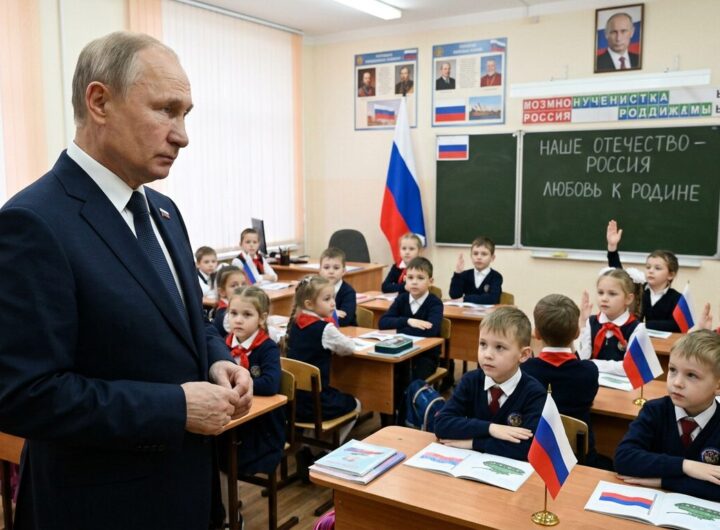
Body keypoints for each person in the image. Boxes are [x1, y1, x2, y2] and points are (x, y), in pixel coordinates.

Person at [0, 31, 253, 529]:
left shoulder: (164, 210)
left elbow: (186, 323)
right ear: (99, 102)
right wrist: (175, 408)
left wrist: (218, 360)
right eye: (166, 110)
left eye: (185, 114)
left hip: (187, 492)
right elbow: (23, 395)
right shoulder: (33, 222)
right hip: (99, 508)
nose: (182, 135)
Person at [615, 330, 720, 501]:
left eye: (691, 375)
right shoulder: (655, 410)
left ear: (718, 385)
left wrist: (663, 481)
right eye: (672, 370)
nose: (677, 382)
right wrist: (685, 466)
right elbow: (624, 459)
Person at [434, 307, 545, 461]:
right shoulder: (470, 381)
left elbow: (527, 448)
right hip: (468, 465)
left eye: (499, 347)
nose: (487, 354)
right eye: (483, 344)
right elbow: (442, 424)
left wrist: (474, 443)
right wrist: (490, 428)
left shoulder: (534, 393)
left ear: (524, 354)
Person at [520, 294, 605, 467]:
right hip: (579, 460)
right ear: (577, 333)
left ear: (536, 333)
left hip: (533, 455)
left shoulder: (524, 371)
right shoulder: (589, 372)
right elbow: (577, 364)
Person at [223, 286, 285, 476]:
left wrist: (237, 386)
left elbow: (270, 384)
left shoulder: (267, 348)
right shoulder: (222, 344)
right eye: (233, 313)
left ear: (262, 318)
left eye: (247, 314)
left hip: (262, 424)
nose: (238, 320)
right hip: (232, 415)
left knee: (234, 458)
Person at [286, 275, 360, 429]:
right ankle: (326, 444)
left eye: (333, 297)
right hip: (316, 404)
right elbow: (349, 348)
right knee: (355, 403)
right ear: (309, 304)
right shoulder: (325, 329)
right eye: (327, 299)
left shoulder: (294, 323)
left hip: (293, 402)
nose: (333, 303)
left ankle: (311, 442)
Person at [606, 220, 682, 332]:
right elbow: (619, 275)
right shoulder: (638, 289)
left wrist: (644, 325)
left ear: (670, 275)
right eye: (648, 267)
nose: (651, 271)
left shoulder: (677, 298)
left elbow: (677, 325)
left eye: (657, 268)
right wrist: (612, 248)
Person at [378, 257, 443, 380]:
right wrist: (408, 321)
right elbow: (383, 323)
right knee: (389, 375)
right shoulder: (402, 299)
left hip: (425, 356)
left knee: (412, 378)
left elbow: (430, 331)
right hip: (401, 351)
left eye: (420, 278)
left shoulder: (435, 303)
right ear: (405, 280)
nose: (414, 282)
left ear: (430, 281)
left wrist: (397, 330)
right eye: (410, 277)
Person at [578, 268, 643, 376]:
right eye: (600, 293)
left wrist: (594, 363)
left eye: (612, 294)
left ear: (628, 299)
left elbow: (630, 367)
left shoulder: (637, 328)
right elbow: (582, 358)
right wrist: (583, 323)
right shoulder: (591, 321)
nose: (604, 298)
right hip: (593, 381)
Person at [449, 236, 503, 304]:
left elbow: (492, 299)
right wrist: (457, 274)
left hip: (489, 311)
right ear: (471, 256)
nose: (479, 257)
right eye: (475, 254)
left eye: (484, 254)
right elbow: (454, 296)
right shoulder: (465, 274)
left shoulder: (496, 277)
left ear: (492, 258)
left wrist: (465, 299)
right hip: (466, 310)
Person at [318, 247, 357, 327]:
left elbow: (344, 321)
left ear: (343, 271)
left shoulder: (348, 292)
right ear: (320, 270)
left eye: (336, 268)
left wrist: (321, 315)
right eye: (326, 267)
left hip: (346, 331)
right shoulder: (315, 289)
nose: (331, 271)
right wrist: (334, 314)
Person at [212, 265, 247, 336]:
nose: (241, 289)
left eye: (243, 284)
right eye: (234, 285)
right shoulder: (227, 316)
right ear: (222, 292)